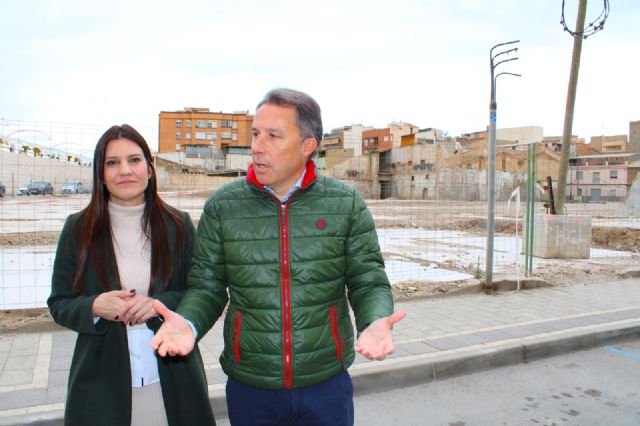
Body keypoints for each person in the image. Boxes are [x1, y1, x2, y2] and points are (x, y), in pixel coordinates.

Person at [151, 89, 406, 425]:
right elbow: (207, 286)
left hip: (326, 382)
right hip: (251, 385)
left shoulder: (345, 204)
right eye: (256, 134)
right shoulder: (223, 206)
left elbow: (367, 278)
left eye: (273, 136)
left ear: (307, 146)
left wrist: (373, 320)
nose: (257, 146)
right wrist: (189, 322)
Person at [48, 124, 215, 426]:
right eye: (112, 162)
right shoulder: (78, 229)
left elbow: (199, 292)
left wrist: (157, 305)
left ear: (150, 170)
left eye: (134, 160)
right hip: (102, 387)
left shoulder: (178, 225)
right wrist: (94, 306)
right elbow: (59, 303)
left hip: (172, 380)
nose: (124, 170)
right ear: (100, 173)